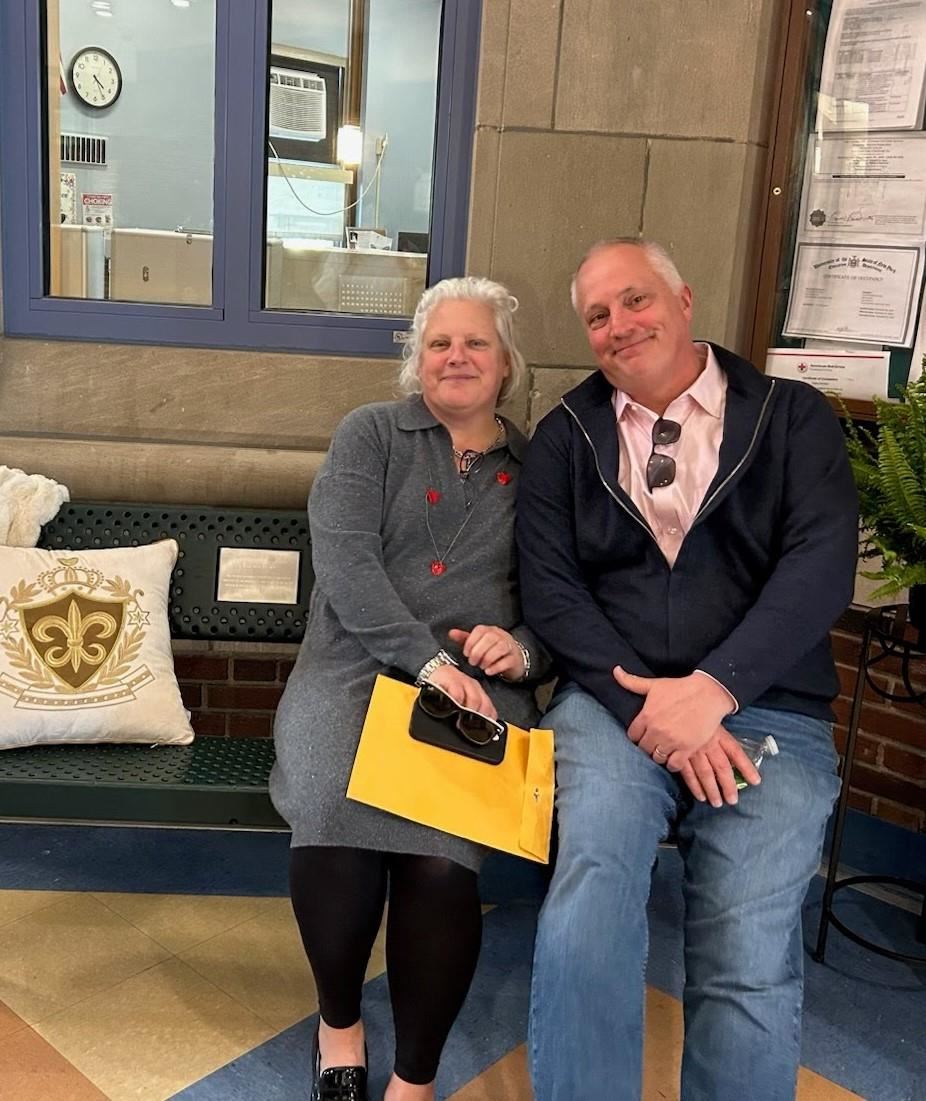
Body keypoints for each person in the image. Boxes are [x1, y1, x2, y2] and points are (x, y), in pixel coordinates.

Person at [516, 238, 857, 1100]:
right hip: (610, 704)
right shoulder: (564, 436)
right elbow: (552, 594)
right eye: (598, 315)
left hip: (769, 705)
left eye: (636, 300)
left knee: (745, 944)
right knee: (591, 903)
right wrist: (649, 707)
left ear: (684, 299)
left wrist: (714, 692)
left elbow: (821, 565)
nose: (620, 326)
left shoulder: (791, 416)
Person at [271, 275, 551, 1101]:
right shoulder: (371, 436)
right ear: (416, 362)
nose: (456, 356)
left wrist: (524, 651)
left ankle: (415, 1078)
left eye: (475, 343)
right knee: (335, 824)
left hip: (472, 692)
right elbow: (347, 566)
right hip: (354, 666)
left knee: (438, 866)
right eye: (439, 342)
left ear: (505, 365)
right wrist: (423, 660)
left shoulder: (540, 468)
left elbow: (561, 601)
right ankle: (339, 1023)